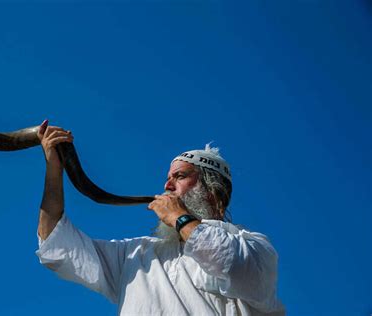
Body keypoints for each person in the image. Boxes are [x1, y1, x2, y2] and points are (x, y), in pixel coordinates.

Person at [35, 120, 285, 316]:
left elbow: (232, 265)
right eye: (167, 178)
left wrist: (179, 216)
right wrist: (54, 170)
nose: (167, 185)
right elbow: (56, 243)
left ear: (211, 189)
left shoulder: (251, 245)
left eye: (180, 176)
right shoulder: (136, 255)